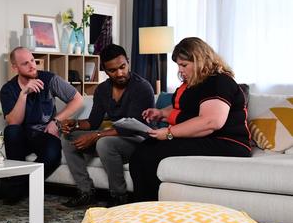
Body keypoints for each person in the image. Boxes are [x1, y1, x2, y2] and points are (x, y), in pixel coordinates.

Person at [129, 37, 251, 201]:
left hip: (228, 142)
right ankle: (142, 206)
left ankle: (149, 210)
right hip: (209, 138)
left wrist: (169, 133)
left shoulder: (219, 81)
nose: (180, 70)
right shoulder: (196, 83)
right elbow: (189, 108)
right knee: (144, 149)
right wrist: (161, 113)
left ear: (200, 61)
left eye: (184, 65)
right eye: (178, 65)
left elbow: (211, 122)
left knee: (150, 154)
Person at [60, 44, 155, 208]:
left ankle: (119, 196)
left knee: (104, 142)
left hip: (139, 140)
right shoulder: (102, 89)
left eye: (122, 67)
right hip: (113, 137)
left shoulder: (142, 87)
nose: (119, 73)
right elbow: (93, 122)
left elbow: (131, 127)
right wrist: (74, 124)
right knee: (67, 138)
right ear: (104, 69)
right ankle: (85, 192)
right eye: (113, 70)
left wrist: (96, 136)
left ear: (128, 62)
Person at [0, 47, 83, 204]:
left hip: (44, 134)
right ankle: (14, 188)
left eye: (32, 60)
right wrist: (23, 94)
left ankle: (12, 188)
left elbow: (77, 99)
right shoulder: (8, 89)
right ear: (15, 67)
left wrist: (56, 121)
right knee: (11, 131)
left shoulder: (49, 79)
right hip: (21, 137)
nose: (32, 66)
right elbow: (13, 122)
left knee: (53, 154)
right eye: (25, 63)